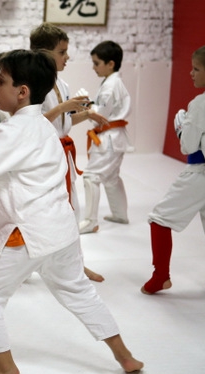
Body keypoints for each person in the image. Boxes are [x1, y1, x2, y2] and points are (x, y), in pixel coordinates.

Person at [0, 49, 143, 374]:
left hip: (28, 233)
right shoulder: (41, 125)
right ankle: (124, 355)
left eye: (1, 81)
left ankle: (4, 368)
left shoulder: (19, 129)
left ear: (22, 91)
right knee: (79, 291)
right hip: (61, 230)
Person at [141, 43, 205, 298]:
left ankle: (161, 276)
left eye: (196, 69)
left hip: (201, 171)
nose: (191, 73)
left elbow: (188, 145)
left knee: (160, 218)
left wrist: (181, 128)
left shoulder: (201, 102)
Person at [29, 23, 107, 282]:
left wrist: (87, 114)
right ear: (43, 53)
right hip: (40, 158)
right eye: (62, 52)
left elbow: (63, 123)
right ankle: (25, 265)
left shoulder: (61, 83)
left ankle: (75, 265)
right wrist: (64, 107)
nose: (67, 57)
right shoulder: (31, 84)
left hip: (62, 154)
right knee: (38, 214)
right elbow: (31, 124)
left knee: (71, 211)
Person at [79, 41, 132, 234]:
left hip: (109, 138)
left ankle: (90, 221)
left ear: (111, 64)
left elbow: (99, 114)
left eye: (96, 63)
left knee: (91, 176)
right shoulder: (112, 82)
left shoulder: (111, 85)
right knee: (110, 177)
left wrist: (85, 106)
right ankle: (120, 214)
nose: (93, 67)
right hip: (112, 137)